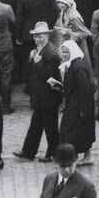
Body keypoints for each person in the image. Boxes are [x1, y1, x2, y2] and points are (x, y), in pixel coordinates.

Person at [15, 21, 62, 162]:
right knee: (36, 124)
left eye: (40, 36)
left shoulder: (51, 53)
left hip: (48, 97)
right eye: (35, 37)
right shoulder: (40, 50)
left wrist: (37, 62)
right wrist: (32, 60)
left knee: (50, 127)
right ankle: (28, 151)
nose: (37, 39)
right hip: (41, 96)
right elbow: (32, 72)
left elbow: (50, 76)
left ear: (47, 36)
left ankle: (51, 154)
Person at [57, 38, 96, 165]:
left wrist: (83, 109)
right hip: (76, 102)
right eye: (63, 52)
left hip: (78, 103)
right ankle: (86, 156)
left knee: (68, 130)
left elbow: (84, 87)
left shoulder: (77, 66)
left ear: (72, 51)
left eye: (67, 52)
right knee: (81, 130)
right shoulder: (73, 64)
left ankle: (69, 157)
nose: (64, 55)